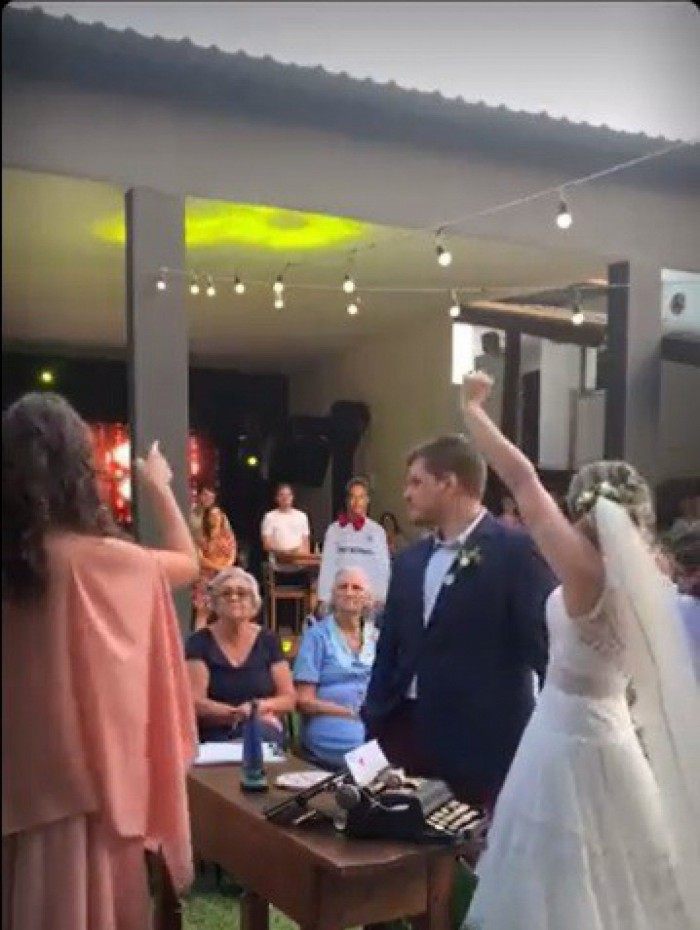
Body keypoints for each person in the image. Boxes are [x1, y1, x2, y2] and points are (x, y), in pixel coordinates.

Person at [459, 371, 698, 929]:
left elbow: (521, 479)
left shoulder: (583, 571)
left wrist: (473, 412)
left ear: (584, 507)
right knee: (621, 870)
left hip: (562, 736)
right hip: (617, 734)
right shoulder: (652, 578)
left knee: (555, 874)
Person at [2, 392, 199, 930]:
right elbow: (188, 562)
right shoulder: (109, 563)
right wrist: (158, 485)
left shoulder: (16, 567)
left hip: (17, 787)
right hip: (98, 797)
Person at [362, 433, 554, 808]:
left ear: (448, 483)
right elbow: (389, 648)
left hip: (480, 742)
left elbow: (544, 649)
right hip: (405, 735)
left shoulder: (515, 552)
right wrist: (375, 717)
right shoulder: (409, 560)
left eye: (416, 482)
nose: (406, 494)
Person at [185, 566, 296, 745]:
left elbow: (288, 699)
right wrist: (237, 714)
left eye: (242, 593)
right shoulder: (199, 642)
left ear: (254, 603)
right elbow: (195, 702)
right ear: (214, 603)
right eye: (226, 593)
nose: (234, 598)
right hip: (214, 734)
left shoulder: (268, 640)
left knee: (259, 737)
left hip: (262, 729)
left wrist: (258, 707)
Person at [294, 567, 378, 769]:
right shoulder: (317, 637)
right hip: (331, 722)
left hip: (373, 721)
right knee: (368, 752)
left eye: (356, 588)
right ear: (333, 594)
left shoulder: (377, 637)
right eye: (343, 587)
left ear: (367, 598)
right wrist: (348, 712)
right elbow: (304, 701)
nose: (349, 592)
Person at [317, 477, 391, 619]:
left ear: (367, 500)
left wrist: (381, 598)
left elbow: (383, 568)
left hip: (367, 601)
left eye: (361, 497)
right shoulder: (334, 530)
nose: (357, 502)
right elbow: (327, 564)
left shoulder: (377, 531)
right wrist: (323, 598)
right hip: (340, 598)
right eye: (353, 497)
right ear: (347, 500)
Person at [192, 503, 237, 629]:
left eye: (217, 515)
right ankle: (199, 638)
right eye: (212, 515)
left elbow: (232, 554)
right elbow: (200, 558)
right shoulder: (201, 537)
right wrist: (217, 567)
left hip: (224, 574)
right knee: (203, 611)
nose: (215, 517)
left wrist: (225, 567)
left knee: (225, 610)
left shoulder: (227, 536)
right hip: (206, 575)